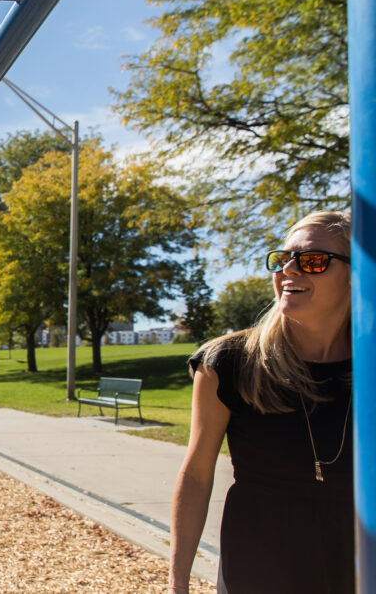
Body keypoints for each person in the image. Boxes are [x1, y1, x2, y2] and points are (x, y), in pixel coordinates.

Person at [168, 211, 353, 594]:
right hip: (258, 564)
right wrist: (177, 581)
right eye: (282, 259)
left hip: (357, 563)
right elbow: (197, 474)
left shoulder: (367, 369)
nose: (289, 271)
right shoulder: (229, 362)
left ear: (357, 273)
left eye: (313, 261)